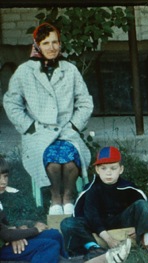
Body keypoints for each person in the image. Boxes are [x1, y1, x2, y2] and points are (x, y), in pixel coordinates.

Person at [0, 155, 131, 263]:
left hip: (7, 243)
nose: (3, 181)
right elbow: (5, 234)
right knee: (48, 245)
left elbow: (5, 226)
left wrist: (17, 230)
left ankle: (70, 262)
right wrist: (32, 231)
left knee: (54, 234)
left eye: (5, 176)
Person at [3, 23, 94, 215]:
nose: (51, 47)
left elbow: (85, 102)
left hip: (66, 131)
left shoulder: (69, 70)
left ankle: (68, 197)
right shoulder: (25, 71)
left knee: (70, 160)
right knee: (51, 161)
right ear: (37, 45)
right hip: (39, 132)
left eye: (55, 42)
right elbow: (11, 102)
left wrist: (74, 125)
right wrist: (29, 126)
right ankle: (55, 198)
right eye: (46, 43)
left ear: (60, 44)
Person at [60, 146, 148, 257]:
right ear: (97, 170)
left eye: (113, 168)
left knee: (142, 204)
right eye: (104, 168)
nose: (108, 173)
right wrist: (108, 239)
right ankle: (94, 248)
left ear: (121, 169)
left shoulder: (129, 188)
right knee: (67, 223)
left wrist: (139, 227)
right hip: (95, 226)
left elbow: (143, 211)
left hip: (119, 221)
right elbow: (92, 217)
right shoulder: (91, 189)